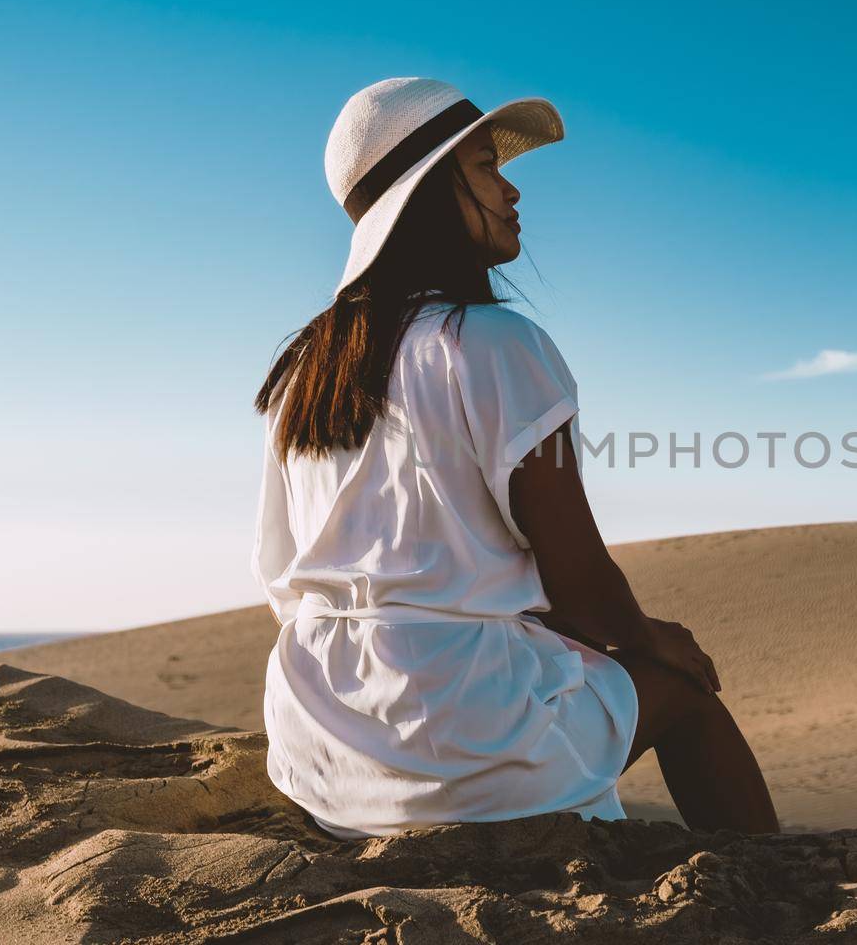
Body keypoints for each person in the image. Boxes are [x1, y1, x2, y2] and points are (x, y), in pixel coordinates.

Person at [250, 77, 779, 838]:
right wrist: (653, 637)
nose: (511, 190)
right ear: (430, 193)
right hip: (452, 739)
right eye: (486, 168)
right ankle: (779, 895)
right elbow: (586, 589)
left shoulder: (305, 372)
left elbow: (283, 577)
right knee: (682, 692)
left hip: (318, 740)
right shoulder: (494, 343)